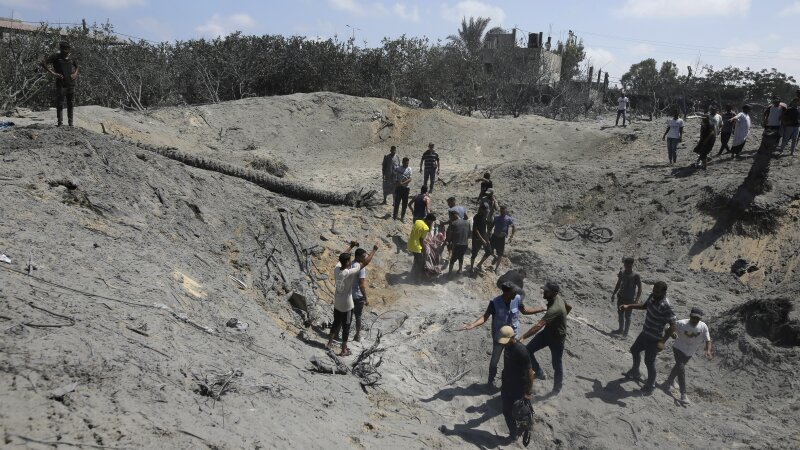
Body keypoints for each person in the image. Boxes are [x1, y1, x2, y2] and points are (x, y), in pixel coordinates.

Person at [461, 282, 539, 387]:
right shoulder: (495, 303)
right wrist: (473, 325)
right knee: (494, 360)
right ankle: (490, 381)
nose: (515, 294)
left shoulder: (516, 299)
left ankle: (509, 382)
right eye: (513, 292)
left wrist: (541, 308)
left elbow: (525, 311)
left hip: (512, 337)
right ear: (506, 293)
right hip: (499, 337)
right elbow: (485, 317)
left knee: (512, 360)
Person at [620, 281, 677, 394]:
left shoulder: (666, 306)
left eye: (656, 291)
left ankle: (650, 386)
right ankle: (635, 371)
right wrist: (629, 306)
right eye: (653, 290)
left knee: (649, 362)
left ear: (664, 292)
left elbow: (673, 325)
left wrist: (662, 341)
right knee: (634, 350)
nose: (654, 292)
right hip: (645, 332)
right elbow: (645, 306)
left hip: (654, 338)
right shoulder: (652, 297)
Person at [328, 241, 378, 356]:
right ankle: (344, 349)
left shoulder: (336, 269)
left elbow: (342, 256)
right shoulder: (349, 272)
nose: (351, 261)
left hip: (337, 302)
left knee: (336, 322)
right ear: (346, 263)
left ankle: (329, 343)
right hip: (347, 304)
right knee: (347, 326)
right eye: (349, 260)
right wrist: (374, 250)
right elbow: (365, 263)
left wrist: (351, 246)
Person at [520, 281, 571, 394]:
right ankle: (538, 372)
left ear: (554, 293)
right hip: (547, 333)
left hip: (557, 339)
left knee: (556, 363)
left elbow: (539, 325)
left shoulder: (554, 309)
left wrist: (523, 336)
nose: (544, 292)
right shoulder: (558, 298)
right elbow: (569, 307)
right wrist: (561, 318)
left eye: (546, 291)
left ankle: (557, 389)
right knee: (528, 351)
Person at [661, 307, 713, 405]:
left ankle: (669, 381)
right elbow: (668, 328)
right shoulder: (681, 323)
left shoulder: (703, 326)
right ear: (690, 316)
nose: (695, 320)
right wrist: (672, 334)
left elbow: (708, 340)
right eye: (693, 318)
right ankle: (683, 395)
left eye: (697, 318)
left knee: (678, 367)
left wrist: (708, 350)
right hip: (678, 348)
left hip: (690, 352)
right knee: (681, 368)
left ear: (700, 318)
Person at [497, 325, 534, 440]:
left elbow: (530, 373)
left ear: (513, 337)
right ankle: (513, 434)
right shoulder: (507, 347)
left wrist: (528, 392)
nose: (504, 343)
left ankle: (526, 426)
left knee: (520, 411)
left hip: (519, 388)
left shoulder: (521, 350)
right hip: (507, 386)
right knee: (506, 411)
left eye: (506, 340)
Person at [42, 41, 80, 127]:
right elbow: (43, 63)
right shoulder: (56, 57)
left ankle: (71, 123)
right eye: (64, 49)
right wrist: (53, 73)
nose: (66, 51)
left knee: (71, 103)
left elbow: (77, 66)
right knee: (60, 103)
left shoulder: (72, 57)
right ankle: (60, 123)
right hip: (61, 84)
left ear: (69, 49)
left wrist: (75, 74)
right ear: (61, 49)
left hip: (71, 84)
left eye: (67, 49)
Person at [351, 247, 377, 342]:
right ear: (358, 257)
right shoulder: (360, 268)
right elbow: (361, 285)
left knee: (347, 316)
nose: (365, 258)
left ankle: (337, 334)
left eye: (365, 256)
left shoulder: (351, 264)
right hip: (357, 296)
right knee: (358, 316)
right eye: (363, 257)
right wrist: (366, 298)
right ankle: (357, 336)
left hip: (349, 294)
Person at [610, 257, 642, 337]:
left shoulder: (636, 275)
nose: (626, 266)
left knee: (628, 316)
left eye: (628, 265)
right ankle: (620, 329)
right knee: (620, 313)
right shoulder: (622, 273)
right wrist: (614, 293)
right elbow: (618, 283)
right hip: (621, 296)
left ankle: (625, 333)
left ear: (631, 265)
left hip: (630, 299)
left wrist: (637, 299)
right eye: (625, 264)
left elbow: (640, 288)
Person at [482, 205, 515, 273]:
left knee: (500, 254)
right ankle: (491, 259)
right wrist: (487, 233)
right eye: (501, 211)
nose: (502, 212)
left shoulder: (508, 219)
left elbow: (513, 227)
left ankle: (496, 269)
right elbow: (491, 226)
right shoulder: (496, 218)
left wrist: (511, 236)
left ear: (506, 211)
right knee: (489, 250)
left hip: (501, 239)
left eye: (503, 211)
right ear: (500, 211)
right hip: (494, 236)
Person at [408, 213, 435, 282]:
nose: (432, 223)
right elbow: (421, 240)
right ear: (429, 220)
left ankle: (412, 274)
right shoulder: (425, 228)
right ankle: (417, 280)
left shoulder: (418, 221)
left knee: (416, 260)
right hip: (416, 246)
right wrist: (424, 249)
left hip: (410, 243)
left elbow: (417, 233)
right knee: (421, 263)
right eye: (432, 221)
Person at [469, 203, 491, 272]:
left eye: (487, 210)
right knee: (474, 253)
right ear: (482, 210)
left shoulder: (485, 216)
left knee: (489, 251)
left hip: (484, 237)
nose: (487, 212)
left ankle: (479, 264)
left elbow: (484, 229)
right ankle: (471, 267)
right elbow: (475, 229)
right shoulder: (477, 217)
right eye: (485, 210)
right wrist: (482, 240)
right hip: (477, 238)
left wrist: (487, 239)